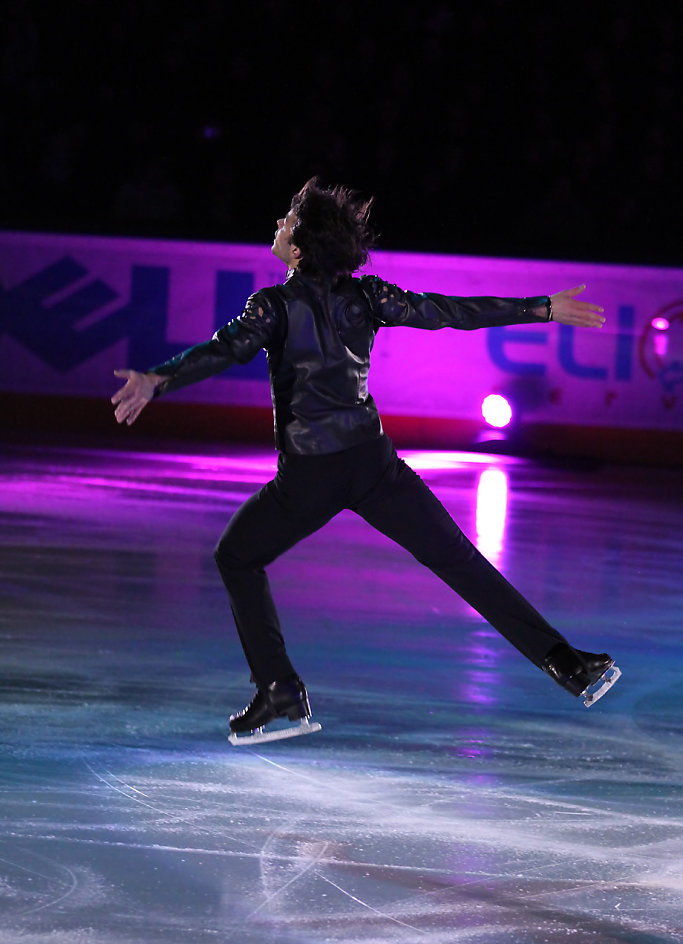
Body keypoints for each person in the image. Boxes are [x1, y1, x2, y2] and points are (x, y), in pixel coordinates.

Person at [111, 178, 620, 743]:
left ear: (299, 248)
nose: (277, 225)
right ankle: (566, 663)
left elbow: (224, 349)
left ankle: (279, 691)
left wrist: (159, 380)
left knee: (236, 556)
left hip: (311, 475)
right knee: (458, 560)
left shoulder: (272, 305)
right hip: (373, 464)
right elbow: (446, 311)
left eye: (286, 220)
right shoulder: (366, 297)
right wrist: (541, 307)